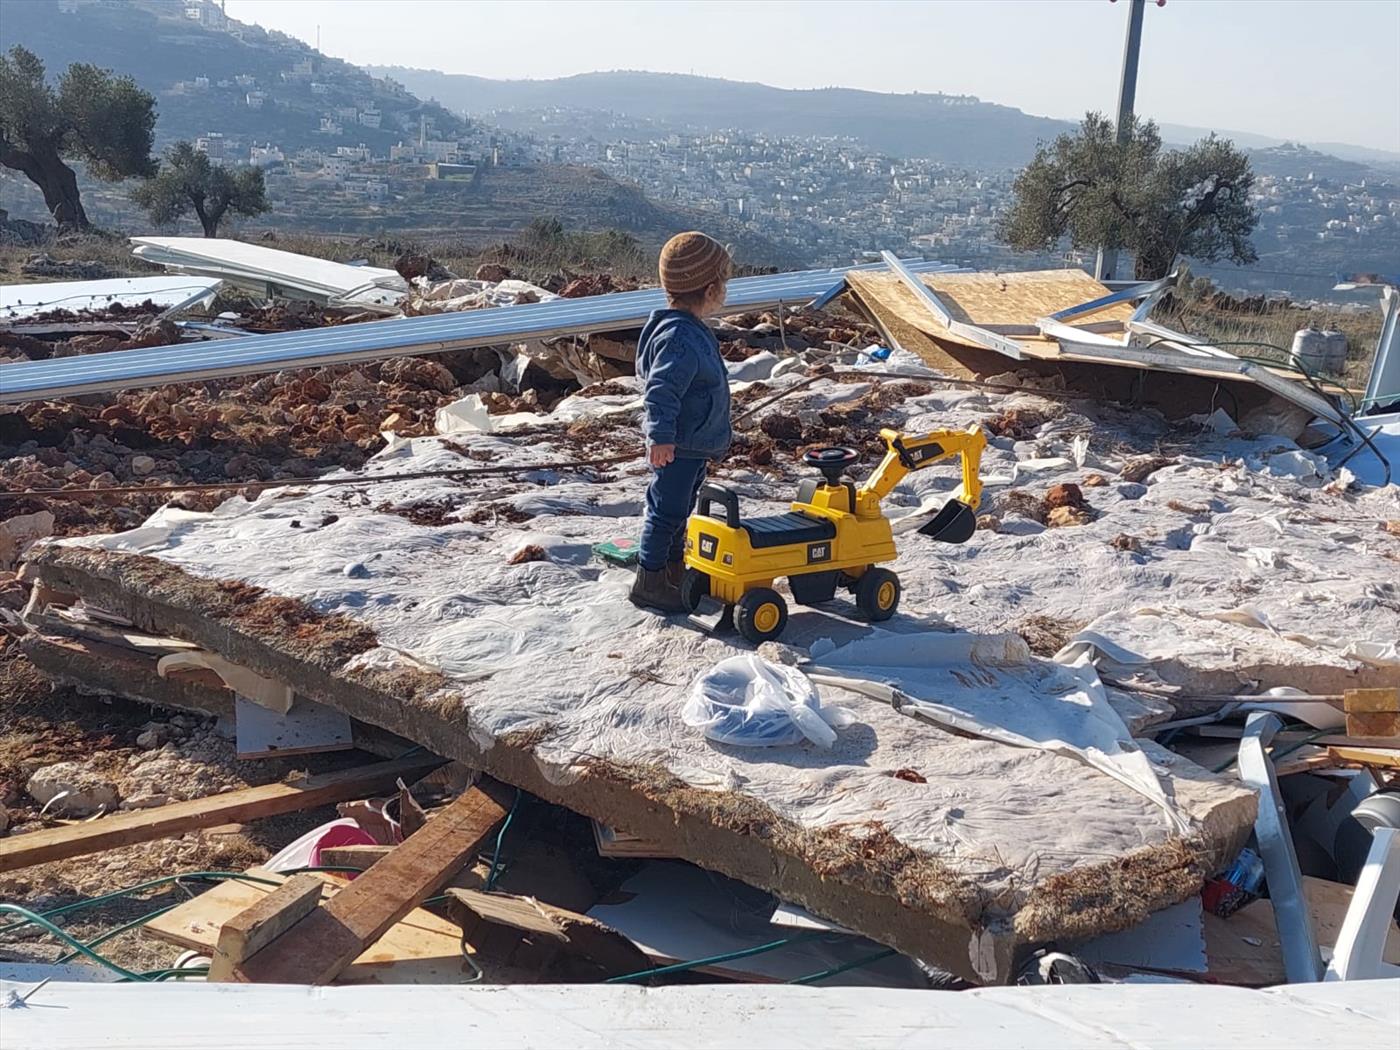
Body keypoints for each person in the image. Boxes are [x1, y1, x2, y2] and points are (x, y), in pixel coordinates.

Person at [630, 231, 733, 612]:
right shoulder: (680, 338)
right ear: (709, 289)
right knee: (666, 510)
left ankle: (673, 569)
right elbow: (661, 389)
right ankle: (650, 579)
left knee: (680, 507)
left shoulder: (684, 330)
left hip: (691, 442)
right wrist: (659, 436)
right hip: (679, 443)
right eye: (724, 282)